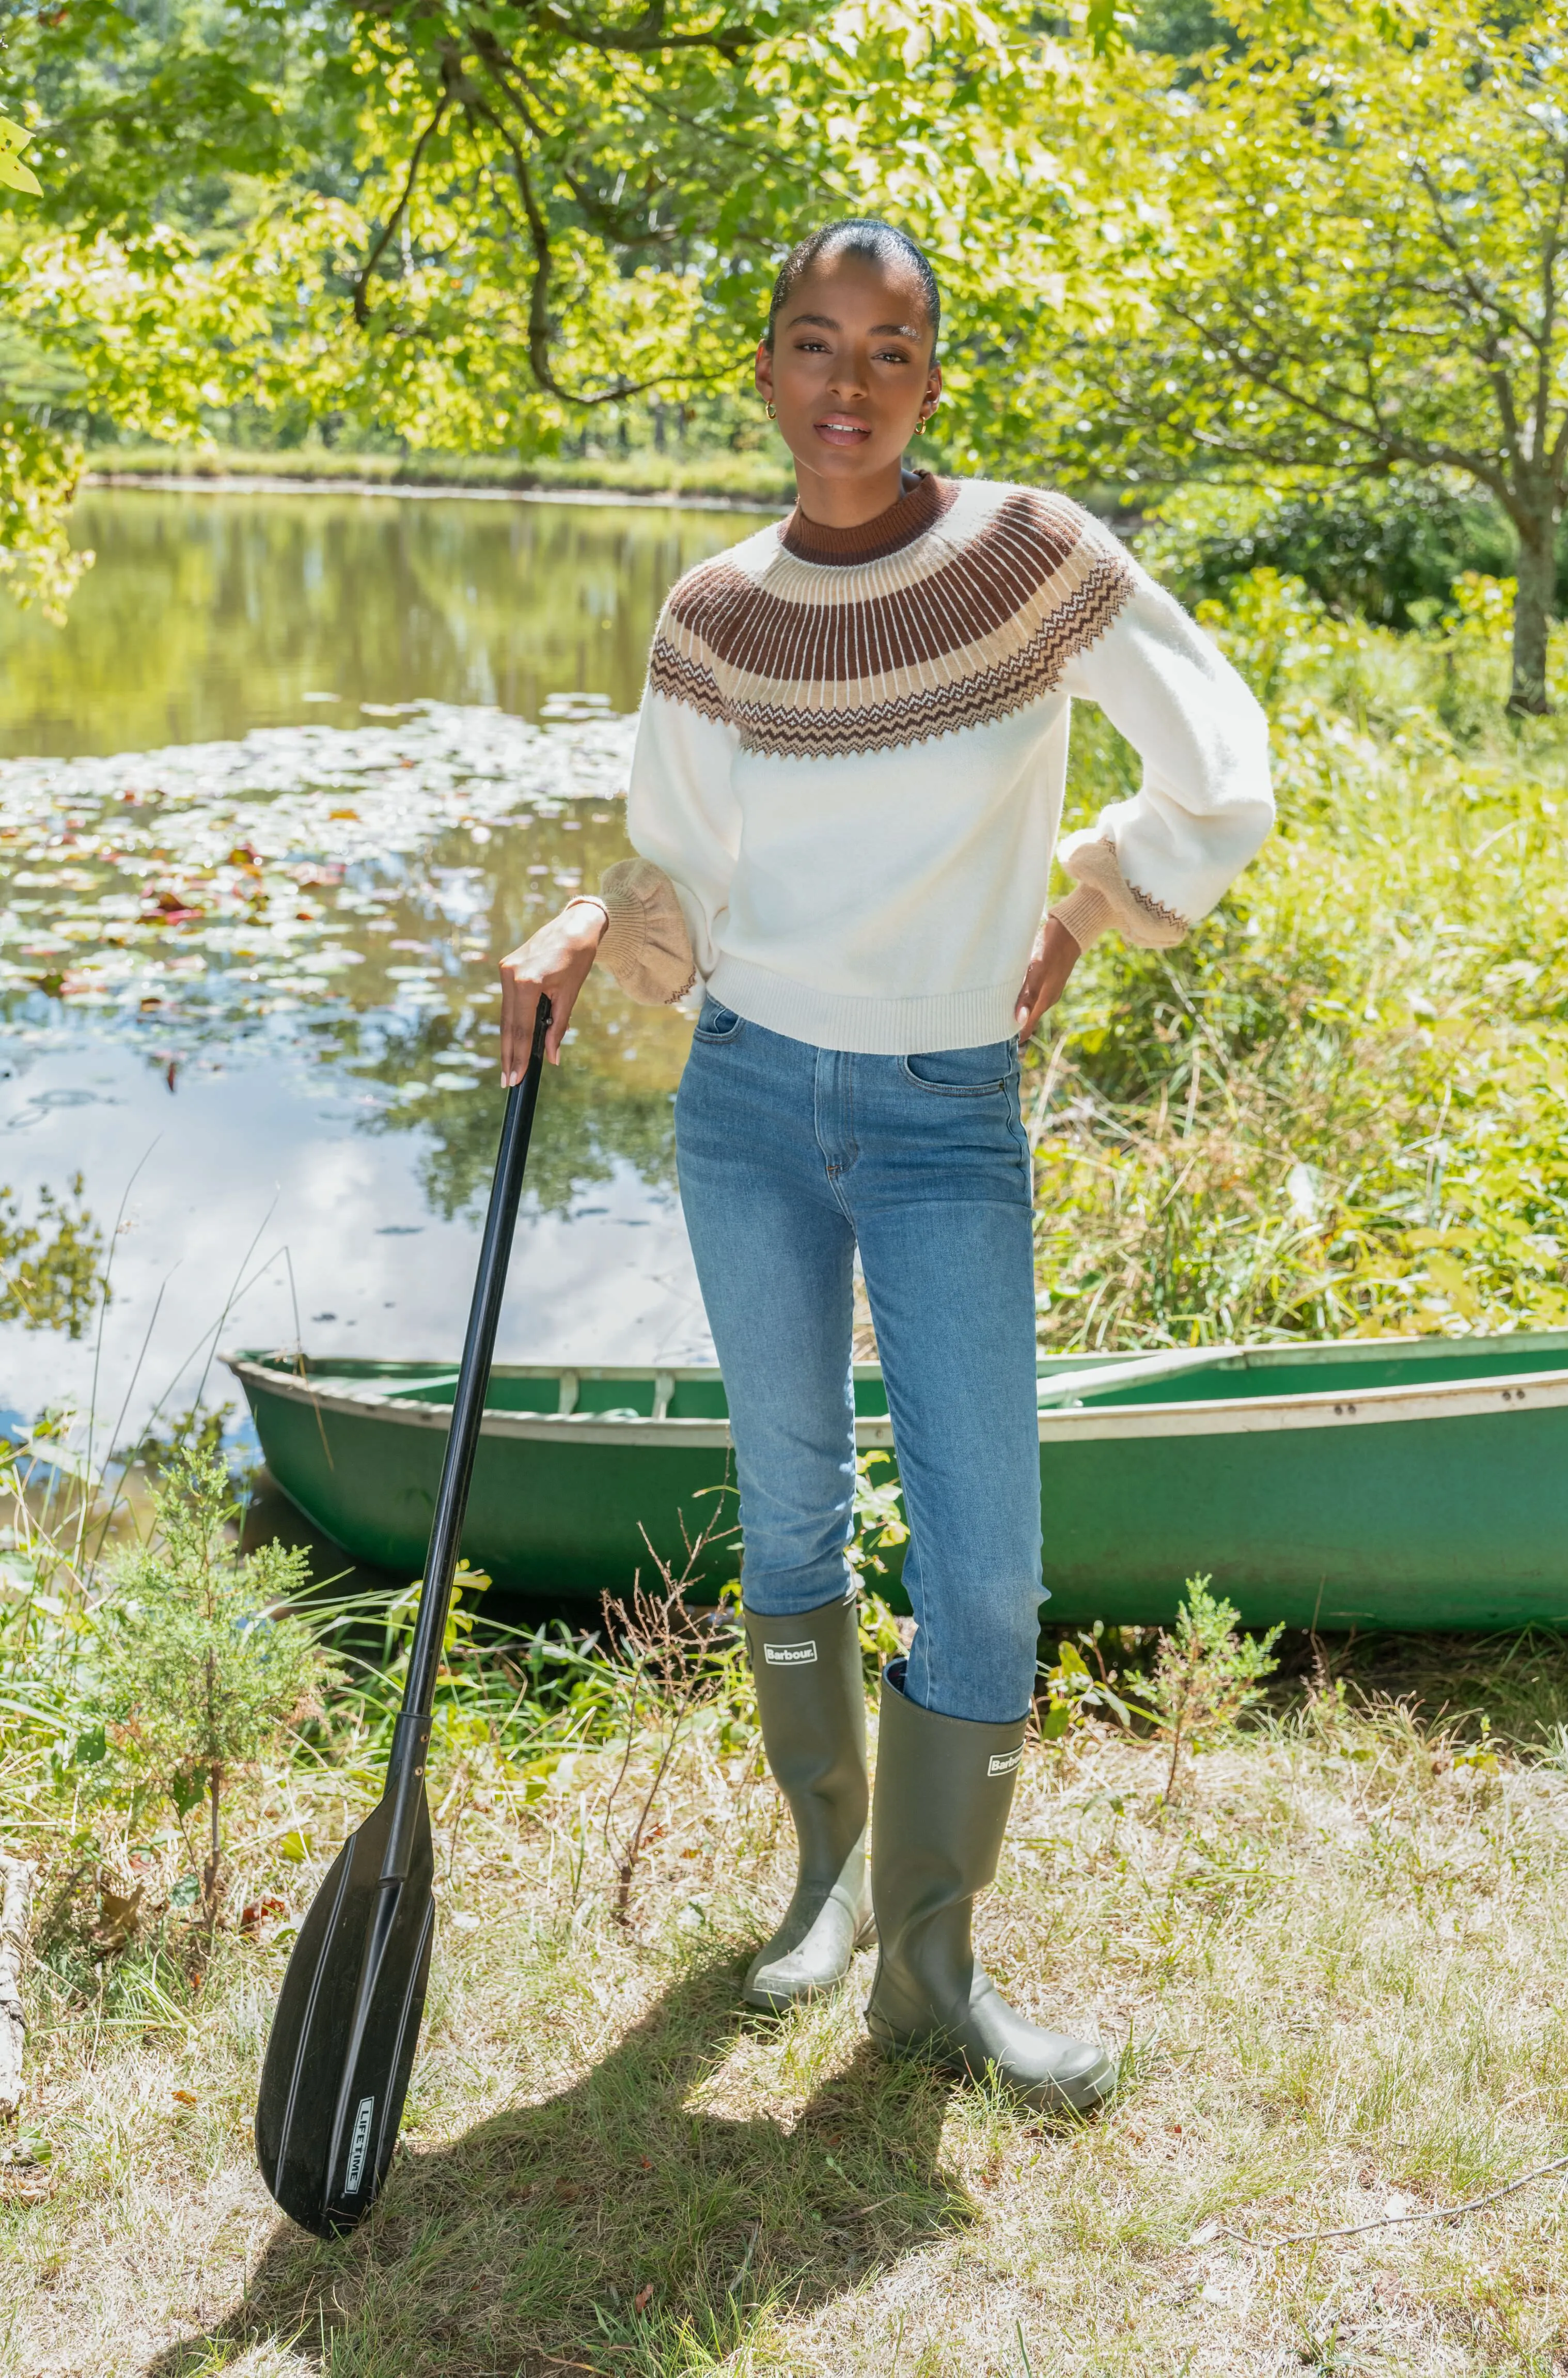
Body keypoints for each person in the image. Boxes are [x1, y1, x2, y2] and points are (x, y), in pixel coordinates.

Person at [499, 218, 1272, 2111]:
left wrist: (1089, 900)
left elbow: (1220, 769)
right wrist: (581, 943)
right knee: (787, 1512)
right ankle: (830, 1876)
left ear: (936, 375)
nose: (847, 386)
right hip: (750, 1099)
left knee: (990, 1569)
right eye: (811, 343)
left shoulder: (1029, 559)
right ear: (763, 368)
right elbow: (679, 866)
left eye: (890, 349)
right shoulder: (715, 610)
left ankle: (937, 1963)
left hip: (940, 1111)